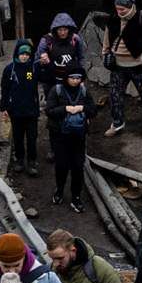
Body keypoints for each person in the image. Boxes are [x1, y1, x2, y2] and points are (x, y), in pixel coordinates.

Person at [94, 0, 142, 128]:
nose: (119, 11)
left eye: (122, 9)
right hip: (118, 65)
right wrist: (105, 53)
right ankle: (117, 123)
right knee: (115, 96)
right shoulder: (113, 18)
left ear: (130, 7)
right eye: (117, 8)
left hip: (140, 65)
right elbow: (107, 37)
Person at [48, 59, 95, 202]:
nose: (75, 81)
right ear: (66, 77)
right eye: (72, 78)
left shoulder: (84, 91)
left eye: (78, 78)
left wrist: (82, 108)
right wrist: (66, 109)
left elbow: (93, 110)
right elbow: (49, 111)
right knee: (61, 165)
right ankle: (59, 190)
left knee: (78, 166)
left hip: (78, 135)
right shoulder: (56, 90)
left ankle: (76, 195)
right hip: (60, 135)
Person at [0, 35, 44, 174]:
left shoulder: (34, 68)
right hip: (15, 111)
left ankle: (31, 162)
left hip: (31, 110)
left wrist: (45, 64)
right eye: (22, 54)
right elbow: (5, 89)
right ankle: (19, 160)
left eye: (27, 54)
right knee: (18, 137)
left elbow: (46, 77)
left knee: (32, 137)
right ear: (17, 54)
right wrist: (4, 107)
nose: (24, 57)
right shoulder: (9, 69)